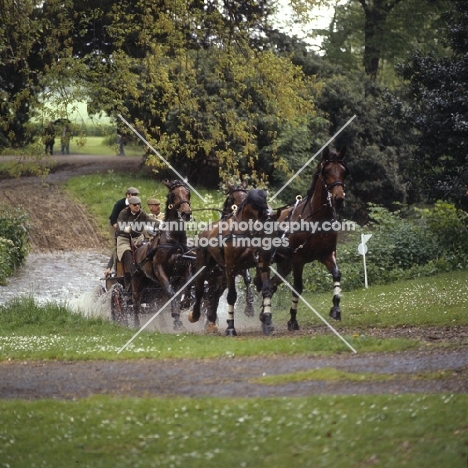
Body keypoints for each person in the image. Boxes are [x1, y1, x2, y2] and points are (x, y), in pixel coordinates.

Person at [115, 196, 151, 292]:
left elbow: (149, 221)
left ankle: (146, 268)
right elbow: (118, 226)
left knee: (146, 248)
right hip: (124, 238)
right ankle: (133, 271)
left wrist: (160, 224)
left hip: (138, 237)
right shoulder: (123, 213)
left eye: (139, 204)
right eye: (135, 205)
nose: (137, 206)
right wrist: (124, 228)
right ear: (130, 205)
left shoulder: (142, 213)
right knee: (125, 250)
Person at [104, 187, 140, 277]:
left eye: (136, 195)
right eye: (133, 195)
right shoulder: (119, 204)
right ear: (127, 195)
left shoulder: (137, 205)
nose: (134, 197)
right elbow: (113, 221)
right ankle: (117, 270)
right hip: (116, 225)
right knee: (118, 244)